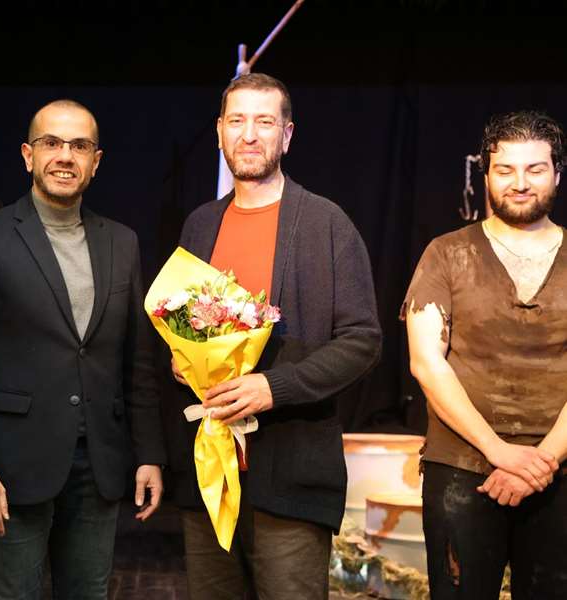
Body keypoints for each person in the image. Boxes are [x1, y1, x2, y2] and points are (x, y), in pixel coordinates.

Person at [0, 99, 167, 599]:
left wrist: (149, 454)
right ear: (28, 155)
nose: (65, 156)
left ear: (96, 162)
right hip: (10, 465)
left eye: (79, 146)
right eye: (51, 143)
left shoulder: (122, 242)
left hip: (99, 464)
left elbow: (137, 361)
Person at [163, 74, 382, 599]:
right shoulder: (200, 224)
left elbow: (362, 341)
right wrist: (183, 358)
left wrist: (272, 387)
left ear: (287, 134)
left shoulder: (327, 223)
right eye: (237, 121)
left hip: (290, 478)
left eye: (264, 122)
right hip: (210, 478)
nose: (249, 135)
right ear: (220, 131)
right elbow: (182, 323)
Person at [404, 110, 567, 599]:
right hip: (463, 469)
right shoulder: (446, 253)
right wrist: (499, 452)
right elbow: (426, 363)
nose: (520, 183)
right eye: (505, 170)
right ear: (487, 175)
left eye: (535, 169)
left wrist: (543, 460)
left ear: (557, 174)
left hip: (560, 469)